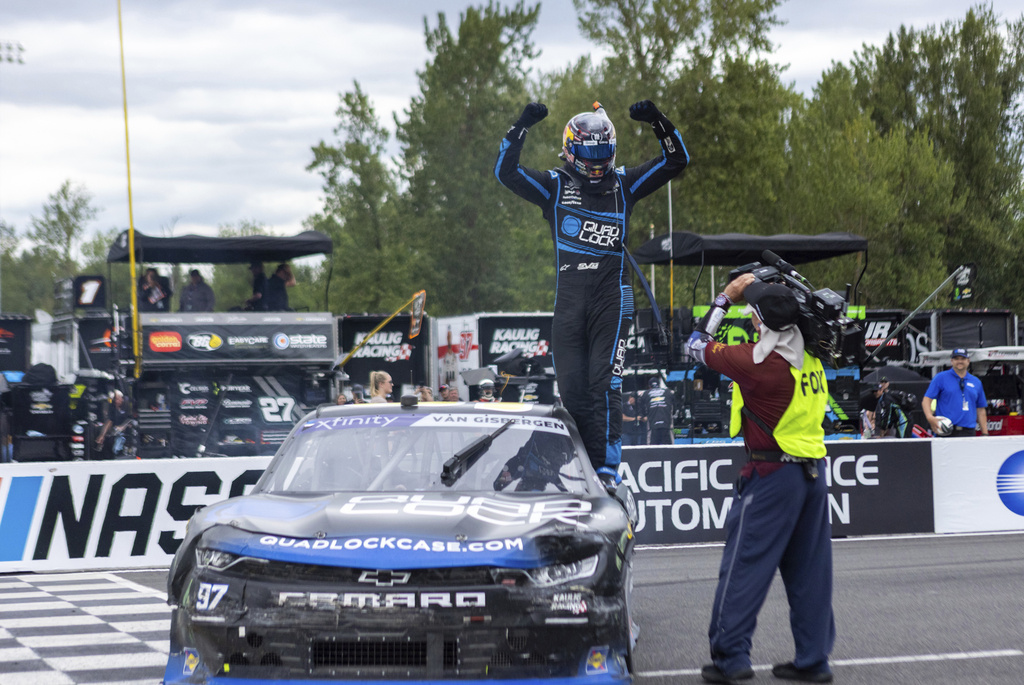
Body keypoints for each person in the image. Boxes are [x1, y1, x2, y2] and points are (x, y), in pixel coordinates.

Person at [495, 99, 689, 483]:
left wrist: (657, 120)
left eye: (604, 156)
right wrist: (522, 124)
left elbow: (676, 160)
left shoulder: (624, 184)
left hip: (612, 299)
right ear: (570, 152)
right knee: (572, 394)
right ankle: (544, 461)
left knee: (605, 383)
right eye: (590, 156)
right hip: (568, 301)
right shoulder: (554, 185)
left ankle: (605, 470)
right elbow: (506, 172)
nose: (598, 164)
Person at [686, 273, 835, 684]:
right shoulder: (813, 358)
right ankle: (814, 660)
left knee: (743, 569)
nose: (751, 321)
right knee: (811, 575)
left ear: (761, 322)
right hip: (812, 474)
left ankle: (731, 659)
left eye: (754, 316)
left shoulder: (758, 363)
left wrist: (725, 298)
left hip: (771, 475)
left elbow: (694, 345)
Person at [922, 348, 989, 437]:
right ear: (952, 361)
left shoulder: (976, 382)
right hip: (945, 430)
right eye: (956, 359)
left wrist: (985, 433)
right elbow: (926, 400)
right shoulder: (941, 378)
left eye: (962, 359)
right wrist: (930, 417)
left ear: (968, 361)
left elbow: (980, 409)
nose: (959, 361)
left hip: (968, 432)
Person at [95, 390, 132, 458]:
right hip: (115, 430)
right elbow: (109, 421)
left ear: (121, 398)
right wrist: (102, 435)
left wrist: (123, 426)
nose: (116, 401)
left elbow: (131, 418)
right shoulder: (112, 408)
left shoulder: (127, 405)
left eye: (117, 399)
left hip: (127, 429)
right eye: (114, 400)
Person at [642, 377, 674, 445]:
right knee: (669, 449)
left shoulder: (646, 393)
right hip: (666, 425)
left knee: (652, 449)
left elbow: (641, 406)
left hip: (653, 426)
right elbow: (675, 404)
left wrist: (643, 415)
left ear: (649, 386)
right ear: (659, 384)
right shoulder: (668, 392)